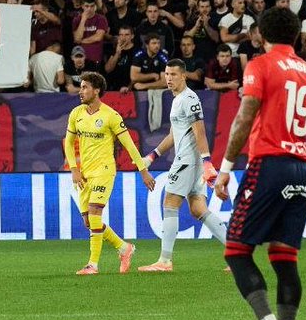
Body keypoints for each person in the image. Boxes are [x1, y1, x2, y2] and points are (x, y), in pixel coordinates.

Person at [214, 7, 306, 320]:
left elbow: (244, 117)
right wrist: (299, 163)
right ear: (296, 36)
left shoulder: (260, 65)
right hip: (303, 170)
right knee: (284, 259)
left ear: (260, 35)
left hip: (269, 164)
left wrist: (225, 168)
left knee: (236, 251)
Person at [137, 60, 227, 272]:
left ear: (184, 76)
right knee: (198, 209)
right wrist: (152, 156)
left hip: (188, 160)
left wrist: (207, 162)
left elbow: (200, 131)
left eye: (173, 74)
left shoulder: (189, 99)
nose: (169, 78)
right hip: (193, 161)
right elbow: (173, 135)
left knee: (170, 202)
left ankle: (165, 261)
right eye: (167, 74)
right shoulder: (178, 100)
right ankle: (237, 253)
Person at [63, 71, 154, 275]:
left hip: (104, 171)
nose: (80, 91)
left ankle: (92, 264)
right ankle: (124, 247)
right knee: (89, 221)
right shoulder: (76, 113)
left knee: (95, 213)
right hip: (84, 173)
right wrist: (74, 169)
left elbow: (129, 145)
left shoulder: (111, 116)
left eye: (85, 87)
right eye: (80, 87)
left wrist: (143, 170)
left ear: (96, 90)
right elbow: (68, 143)